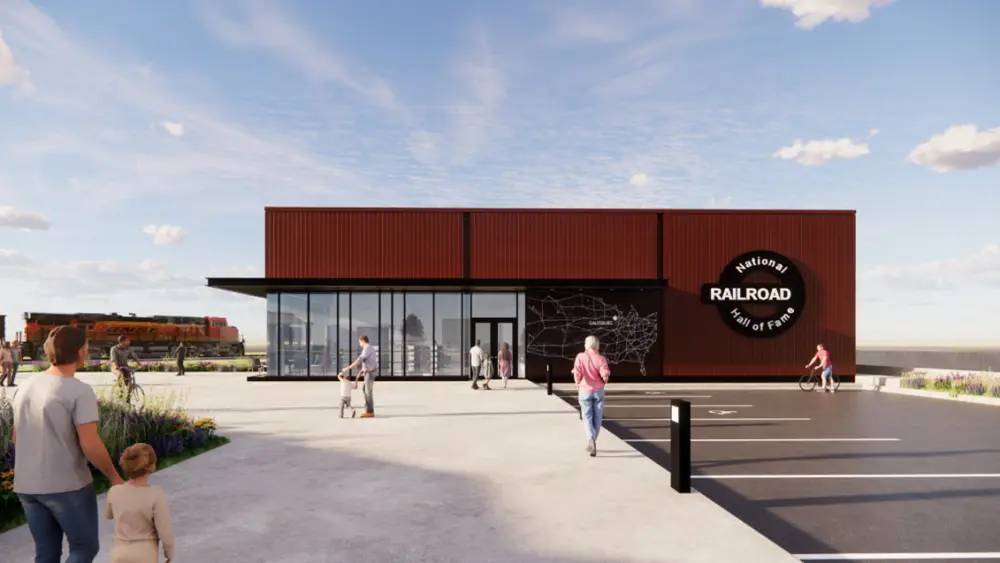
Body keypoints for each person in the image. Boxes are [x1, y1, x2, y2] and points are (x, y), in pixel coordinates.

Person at [13, 325, 125, 563]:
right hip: (67, 486)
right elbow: (90, 444)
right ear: (79, 351)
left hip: (27, 485)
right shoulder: (79, 390)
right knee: (84, 549)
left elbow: (16, 437)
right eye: (86, 348)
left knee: (46, 553)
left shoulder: (25, 386)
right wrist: (114, 476)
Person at [105, 443, 175, 563]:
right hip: (145, 553)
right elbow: (165, 530)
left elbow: (108, 515)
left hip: (119, 552)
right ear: (152, 467)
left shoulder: (114, 491)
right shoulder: (156, 494)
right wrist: (169, 552)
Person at [573, 335, 611, 457]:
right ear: (597, 345)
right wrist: (603, 382)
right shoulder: (601, 358)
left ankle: (591, 439)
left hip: (585, 390)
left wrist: (578, 385)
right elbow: (605, 374)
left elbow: (577, 372)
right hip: (598, 390)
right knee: (598, 416)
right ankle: (594, 438)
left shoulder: (580, 357)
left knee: (587, 416)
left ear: (586, 344)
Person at [338, 335, 378, 418]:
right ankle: (368, 410)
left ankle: (370, 411)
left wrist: (347, 368)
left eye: (359, 342)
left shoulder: (367, 348)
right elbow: (366, 363)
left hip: (369, 374)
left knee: (368, 392)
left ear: (362, 341)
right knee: (365, 390)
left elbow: (359, 360)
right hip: (368, 372)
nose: (359, 344)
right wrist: (359, 373)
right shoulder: (368, 348)